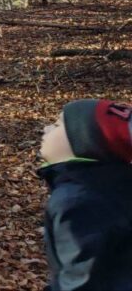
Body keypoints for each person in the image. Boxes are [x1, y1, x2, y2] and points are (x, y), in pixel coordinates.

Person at [37, 98, 132, 290]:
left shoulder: (79, 202)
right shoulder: (112, 187)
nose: (47, 128)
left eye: (58, 125)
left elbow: (84, 280)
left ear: (83, 142)